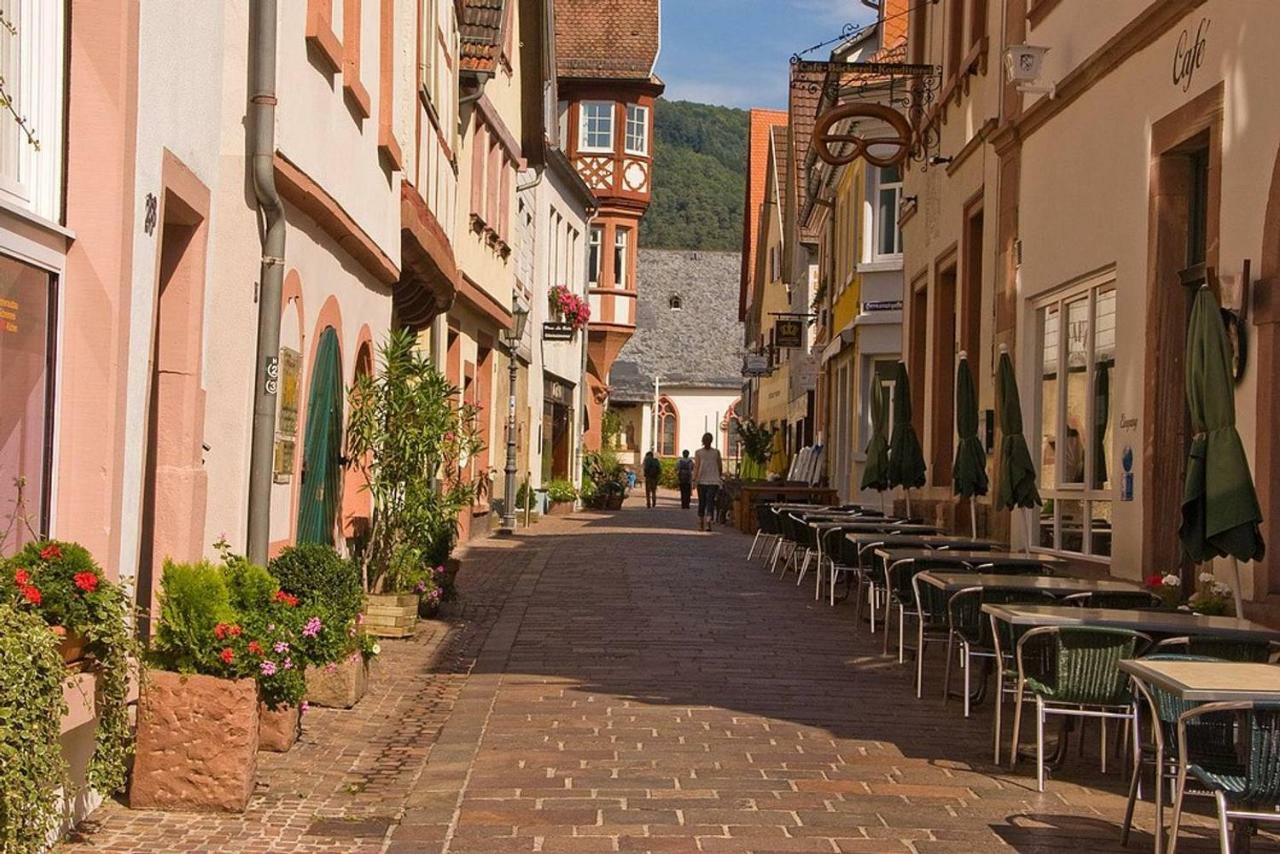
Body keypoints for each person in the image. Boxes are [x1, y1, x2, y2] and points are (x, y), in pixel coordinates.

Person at [691, 432, 723, 532]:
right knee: (710, 502)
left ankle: (701, 523)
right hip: (713, 481)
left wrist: (694, 479)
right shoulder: (716, 452)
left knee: (702, 502)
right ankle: (708, 523)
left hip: (702, 480)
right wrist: (718, 476)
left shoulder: (698, 452)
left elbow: (696, 467)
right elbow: (720, 466)